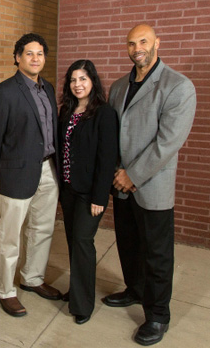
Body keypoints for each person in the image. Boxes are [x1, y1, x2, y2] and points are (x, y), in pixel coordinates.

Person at [103, 24, 196, 346]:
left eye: (143, 41)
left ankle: (157, 315)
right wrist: (116, 173)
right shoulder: (118, 87)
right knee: (128, 245)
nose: (136, 48)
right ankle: (134, 290)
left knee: (157, 255)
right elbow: (112, 133)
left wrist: (133, 175)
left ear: (157, 43)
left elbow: (167, 143)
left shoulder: (178, 87)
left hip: (151, 186)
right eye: (131, 43)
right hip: (121, 183)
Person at [0, 33, 62, 317]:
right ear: (17, 57)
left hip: (48, 169)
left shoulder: (48, 89)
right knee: (9, 236)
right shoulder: (4, 92)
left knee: (42, 228)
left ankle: (33, 278)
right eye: (29, 53)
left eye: (40, 53)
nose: (35, 58)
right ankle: (5, 290)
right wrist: (2, 172)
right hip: (16, 174)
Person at [58, 60, 118, 325]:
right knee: (73, 240)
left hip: (89, 193)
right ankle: (77, 290)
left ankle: (83, 305)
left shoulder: (104, 113)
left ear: (93, 81)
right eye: (73, 80)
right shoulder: (67, 110)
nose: (77, 84)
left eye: (83, 79)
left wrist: (99, 197)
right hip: (69, 189)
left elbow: (107, 159)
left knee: (83, 241)